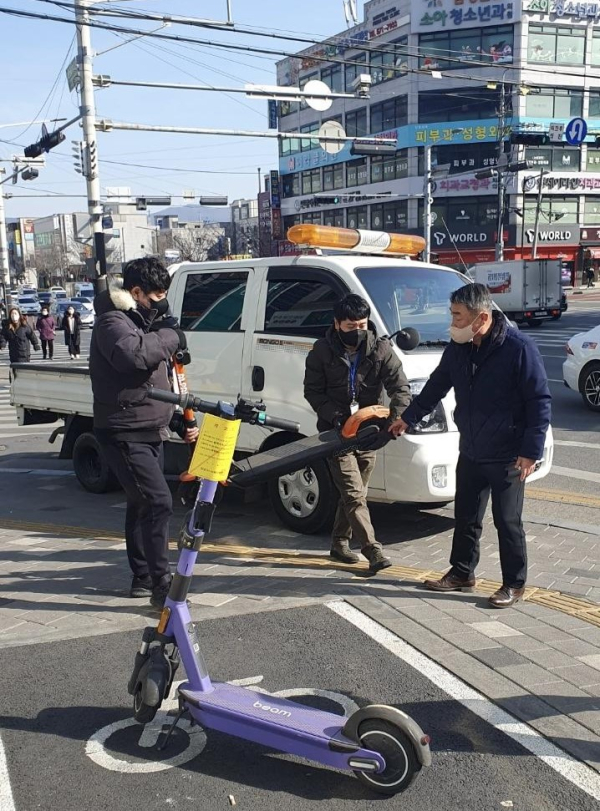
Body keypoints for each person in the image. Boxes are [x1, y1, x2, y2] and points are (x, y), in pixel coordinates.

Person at [390, 283, 551, 608]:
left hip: (508, 455)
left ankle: (513, 584)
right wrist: (407, 418)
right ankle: (462, 572)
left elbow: (539, 402)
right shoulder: (459, 348)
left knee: (507, 520)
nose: (452, 323)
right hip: (472, 449)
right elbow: (436, 386)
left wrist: (530, 452)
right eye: (452, 314)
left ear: (481, 318)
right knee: (465, 516)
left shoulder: (518, 349)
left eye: (458, 316)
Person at [89, 257, 197, 609]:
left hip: (150, 427)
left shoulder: (143, 319)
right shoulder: (112, 321)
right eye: (156, 295)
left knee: (140, 505)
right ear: (135, 292)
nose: (161, 302)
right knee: (157, 502)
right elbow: (132, 357)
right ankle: (160, 584)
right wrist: (168, 335)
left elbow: (155, 381)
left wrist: (178, 420)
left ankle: (142, 575)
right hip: (123, 430)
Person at [304, 293, 411, 573]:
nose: (357, 331)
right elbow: (312, 392)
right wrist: (336, 416)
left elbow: (400, 388)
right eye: (350, 326)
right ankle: (372, 550)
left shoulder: (381, 350)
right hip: (335, 433)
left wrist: (396, 417)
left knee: (354, 493)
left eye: (362, 325)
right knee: (353, 494)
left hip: (369, 433)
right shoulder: (321, 351)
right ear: (337, 324)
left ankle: (339, 542)